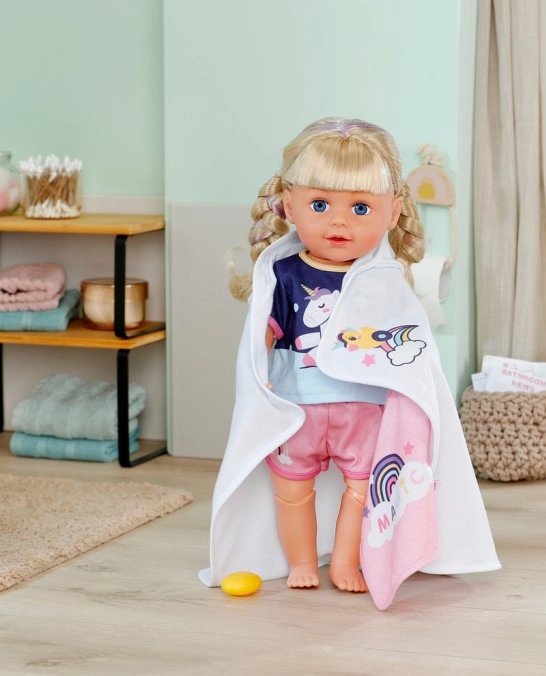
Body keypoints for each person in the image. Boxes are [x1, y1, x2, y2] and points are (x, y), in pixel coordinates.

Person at [200, 117, 499, 608]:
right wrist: (258, 378)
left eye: (360, 208)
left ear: (392, 211)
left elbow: (408, 348)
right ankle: (301, 561)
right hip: (295, 409)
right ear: (289, 205)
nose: (339, 222)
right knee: (291, 490)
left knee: (363, 490)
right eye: (320, 205)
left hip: (364, 409)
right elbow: (263, 335)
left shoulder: (385, 279)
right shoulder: (282, 273)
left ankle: (345, 561)